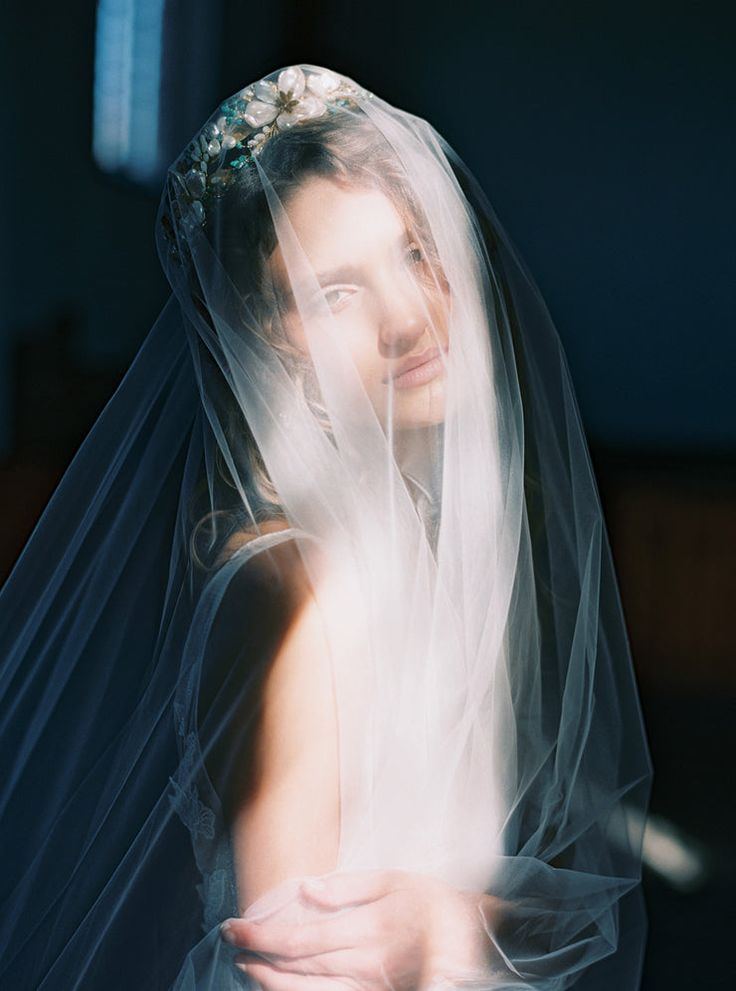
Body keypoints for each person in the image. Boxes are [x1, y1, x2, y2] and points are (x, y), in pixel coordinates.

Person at [0, 64, 652, 990]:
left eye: (417, 252)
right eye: (334, 290)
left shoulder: (398, 540)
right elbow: (293, 964)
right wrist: (454, 935)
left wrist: (456, 925)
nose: (409, 317)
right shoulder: (313, 591)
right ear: (267, 340)